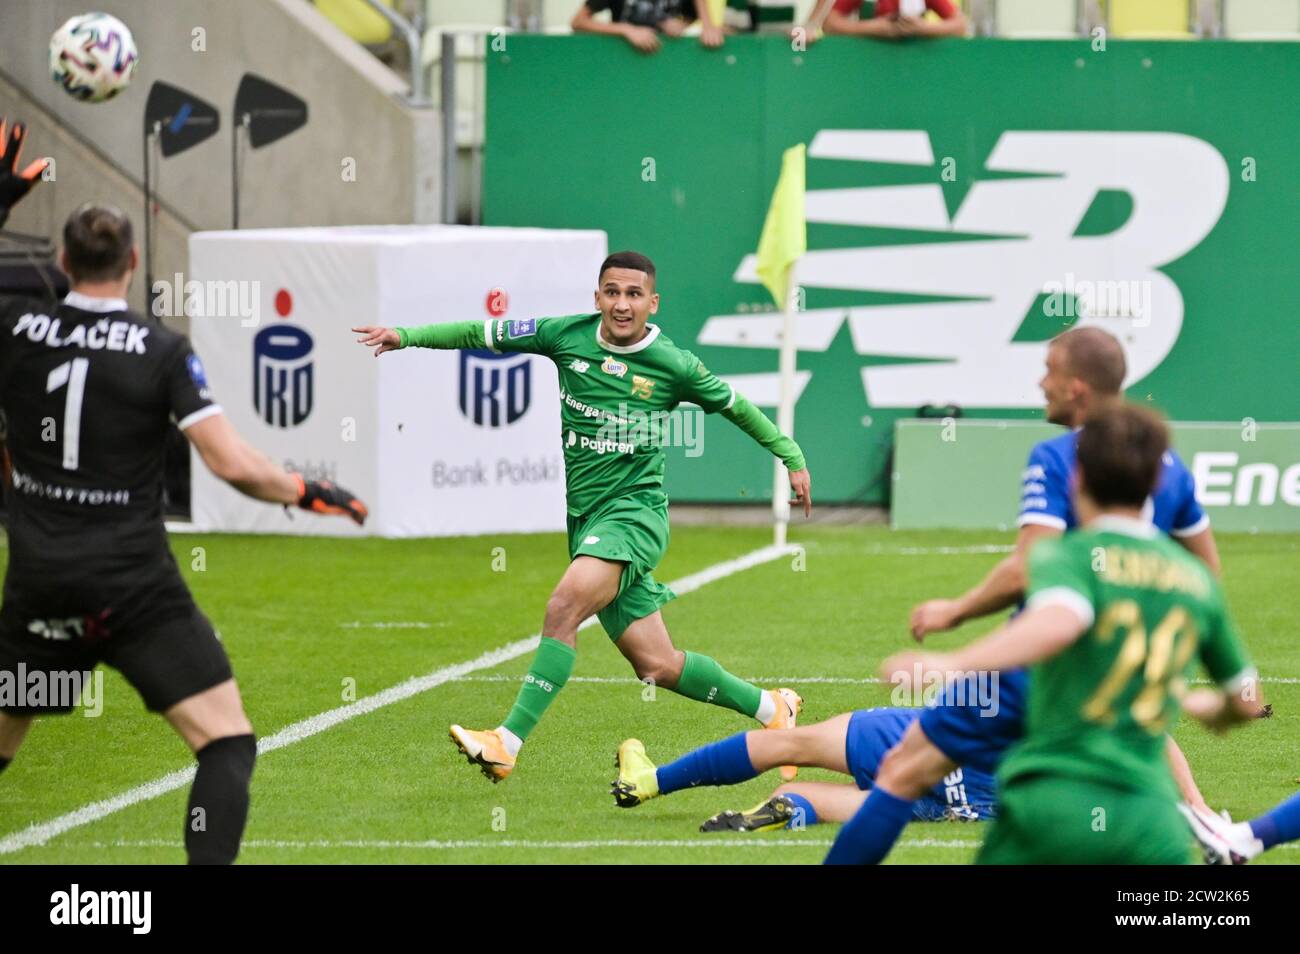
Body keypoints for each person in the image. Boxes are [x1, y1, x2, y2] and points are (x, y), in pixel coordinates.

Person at [0, 172, 368, 865]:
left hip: (39, 584)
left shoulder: (17, 329)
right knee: (225, 744)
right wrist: (307, 489)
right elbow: (231, 463)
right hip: (132, 588)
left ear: (61, 260)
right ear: (135, 262)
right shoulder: (159, 350)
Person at [354, 251, 812, 783]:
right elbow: (480, 332)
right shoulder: (563, 335)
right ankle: (772, 708)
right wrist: (405, 336)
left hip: (633, 518)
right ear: (597, 297)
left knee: (563, 608)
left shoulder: (673, 365)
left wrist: (792, 457)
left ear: (652, 303)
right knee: (657, 665)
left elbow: (738, 407)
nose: (622, 304)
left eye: (633, 294)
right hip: (588, 522)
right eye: (612, 292)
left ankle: (505, 742)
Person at [823, 327, 1225, 865]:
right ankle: (1196, 820)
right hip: (1117, 668)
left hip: (1034, 667)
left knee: (905, 770)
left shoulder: (1059, 457)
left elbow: (1028, 568)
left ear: (1077, 387)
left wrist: (955, 612)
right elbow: (1206, 575)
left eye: (1050, 370)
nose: (1041, 383)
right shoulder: (1167, 465)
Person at [876, 402, 1261, 864]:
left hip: (1053, 806)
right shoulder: (1195, 580)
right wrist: (1214, 709)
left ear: (1077, 480)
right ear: (1157, 487)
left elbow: (1058, 621)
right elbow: (1246, 701)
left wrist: (953, 663)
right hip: (1152, 823)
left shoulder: (1069, 558)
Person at [610, 705, 996, 832]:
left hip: (939, 744)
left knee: (792, 744)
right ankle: (789, 809)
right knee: (832, 802)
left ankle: (649, 780)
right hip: (976, 800)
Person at [572, 0, 725, 54]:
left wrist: (681, 25)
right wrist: (626, 30)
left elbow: (690, 16)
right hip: (623, 61)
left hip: (666, 66)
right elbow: (578, 22)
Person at [799, 0, 967, 40]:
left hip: (915, 66)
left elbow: (960, 25)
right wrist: (873, 28)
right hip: (866, 65)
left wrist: (921, 28)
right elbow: (829, 24)